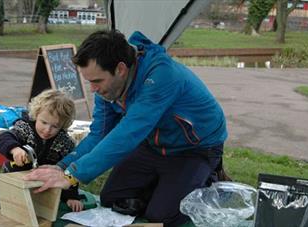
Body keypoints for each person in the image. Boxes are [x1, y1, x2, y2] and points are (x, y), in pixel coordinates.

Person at [23, 30, 228, 226]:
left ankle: (208, 177)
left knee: (162, 216)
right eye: (89, 82)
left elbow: (128, 133)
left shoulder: (162, 76)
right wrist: (62, 166)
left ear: (120, 69)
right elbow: (100, 135)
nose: (93, 89)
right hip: (154, 146)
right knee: (112, 198)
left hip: (195, 149)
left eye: (96, 81)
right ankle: (168, 185)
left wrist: (72, 176)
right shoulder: (108, 87)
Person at [0, 89, 84, 213]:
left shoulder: (65, 143)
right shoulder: (25, 128)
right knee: (4, 190)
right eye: (44, 122)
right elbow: (4, 137)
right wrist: (15, 149)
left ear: (63, 125)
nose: (47, 129)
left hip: (42, 186)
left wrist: (72, 196)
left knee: (32, 204)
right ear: (36, 114)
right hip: (14, 177)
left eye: (55, 126)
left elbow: (70, 170)